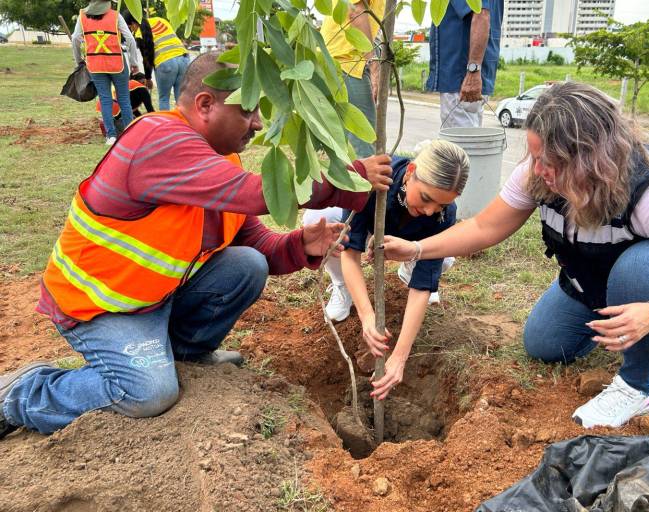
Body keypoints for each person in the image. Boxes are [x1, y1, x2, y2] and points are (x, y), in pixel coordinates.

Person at [0, 52, 393, 440]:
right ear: (205, 105)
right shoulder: (158, 139)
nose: (258, 123)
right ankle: (21, 395)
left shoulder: (220, 160)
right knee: (149, 394)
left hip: (153, 300)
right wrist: (348, 179)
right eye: (248, 111)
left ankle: (183, 358)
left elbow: (254, 242)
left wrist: (300, 244)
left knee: (248, 265)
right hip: (100, 308)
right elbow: (260, 193)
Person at [376, 82, 649, 427]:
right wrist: (418, 248)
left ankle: (637, 385)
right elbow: (484, 227)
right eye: (534, 155)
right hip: (592, 279)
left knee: (642, 273)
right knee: (545, 344)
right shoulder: (539, 173)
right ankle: (648, 316)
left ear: (590, 157)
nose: (537, 169)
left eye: (548, 161)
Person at [304, 140, 470, 400]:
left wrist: (400, 356)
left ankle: (408, 269)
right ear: (411, 171)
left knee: (446, 255)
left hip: (412, 244)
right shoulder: (377, 180)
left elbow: (422, 286)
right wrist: (368, 317)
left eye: (440, 205)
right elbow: (350, 253)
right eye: (426, 198)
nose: (429, 211)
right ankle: (342, 287)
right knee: (318, 221)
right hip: (372, 228)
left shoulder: (442, 215)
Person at [319, 0, 384, 159]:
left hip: (336, 60)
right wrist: (373, 63)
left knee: (343, 146)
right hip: (346, 62)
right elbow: (356, 11)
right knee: (363, 147)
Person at [72, 0, 140, 145]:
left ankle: (111, 136)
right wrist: (134, 62)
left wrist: (79, 61)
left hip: (96, 65)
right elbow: (130, 39)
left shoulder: (82, 16)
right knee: (124, 100)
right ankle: (131, 135)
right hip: (117, 64)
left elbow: (75, 38)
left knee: (105, 100)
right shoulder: (115, 16)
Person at [426, 0, 503, 128]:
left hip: (460, 77)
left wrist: (473, 71)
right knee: (469, 134)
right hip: (463, 76)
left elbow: (481, 15)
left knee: (460, 138)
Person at [123, 11, 189, 110]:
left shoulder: (139, 33)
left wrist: (148, 79)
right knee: (181, 99)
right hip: (184, 59)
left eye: (130, 27)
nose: (131, 30)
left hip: (165, 63)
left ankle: (166, 121)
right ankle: (183, 120)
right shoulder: (160, 20)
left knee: (164, 99)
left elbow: (147, 58)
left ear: (133, 23)